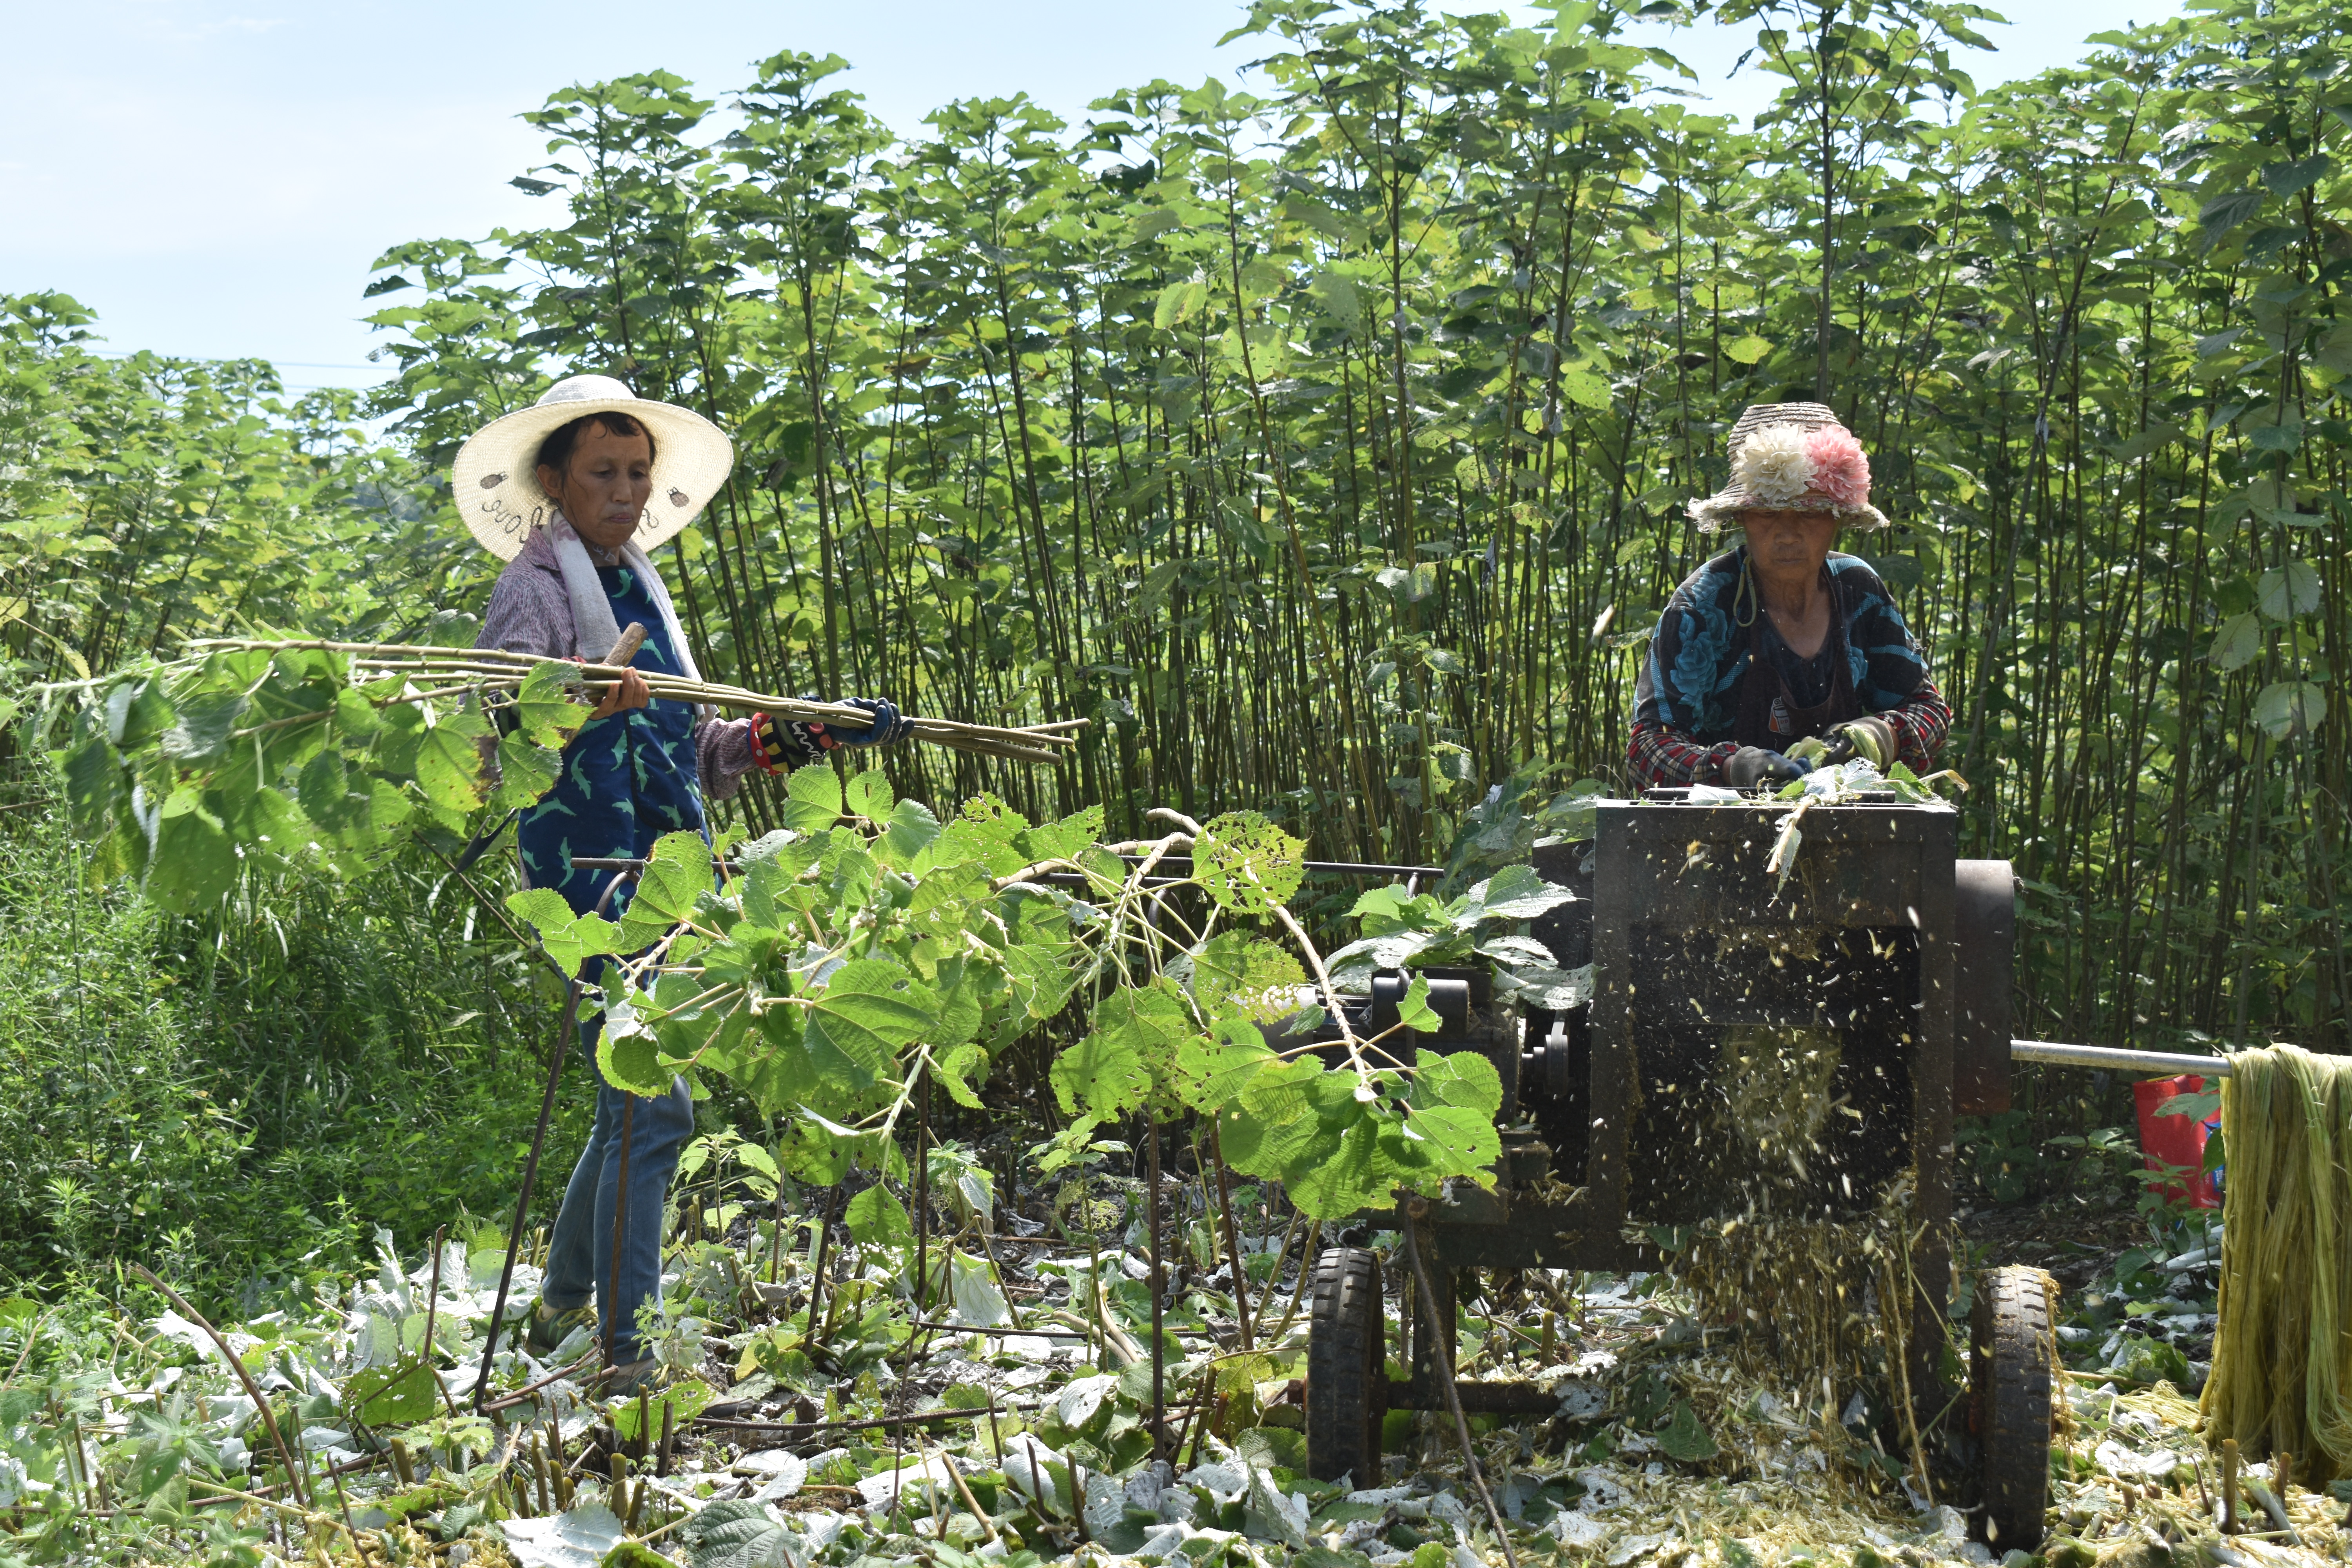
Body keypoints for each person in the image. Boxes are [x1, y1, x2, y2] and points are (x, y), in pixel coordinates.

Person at [454, 374, 913, 1388]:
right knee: (654, 1108)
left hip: (671, 870)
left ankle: (563, 1306)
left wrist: (802, 731)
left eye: (636, 474)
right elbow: (497, 746)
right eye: (602, 474)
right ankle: (629, 1355)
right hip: (582, 875)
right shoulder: (533, 593)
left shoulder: (642, 592)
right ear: (554, 480)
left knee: (632, 1101)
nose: (623, 493)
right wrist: (579, 706)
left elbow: (693, 751)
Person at [1627, 402, 1951, 791]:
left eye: (1809, 514)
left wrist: (1879, 735)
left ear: (1836, 519)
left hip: (1840, 820)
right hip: (1713, 831)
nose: (1787, 533)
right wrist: (1735, 767)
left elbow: (1929, 709)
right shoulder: (1704, 604)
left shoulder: (1859, 591)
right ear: (1742, 519)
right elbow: (1647, 747)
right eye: (1767, 514)